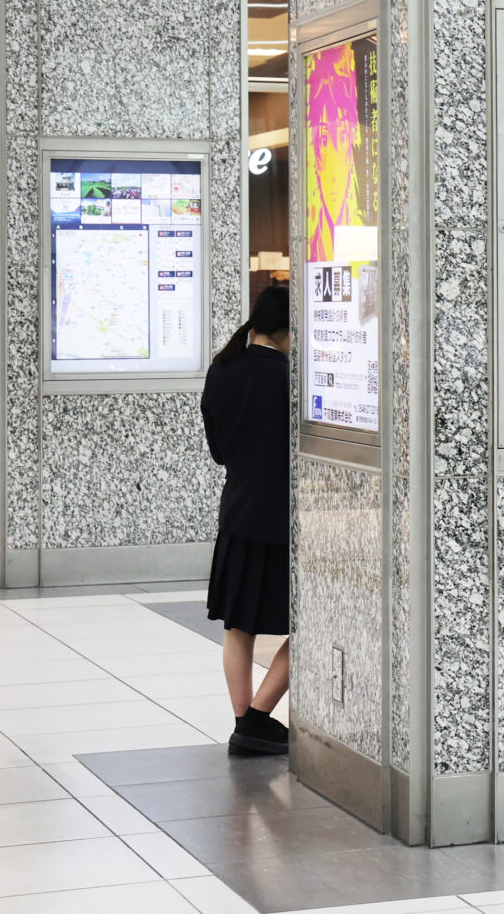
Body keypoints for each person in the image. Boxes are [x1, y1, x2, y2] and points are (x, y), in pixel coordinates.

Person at [202, 284, 294, 757]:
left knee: (238, 627)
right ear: (287, 331)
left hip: (237, 517)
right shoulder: (288, 378)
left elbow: (218, 452)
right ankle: (258, 717)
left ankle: (244, 722)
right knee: (311, 624)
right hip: (283, 523)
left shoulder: (222, 368)